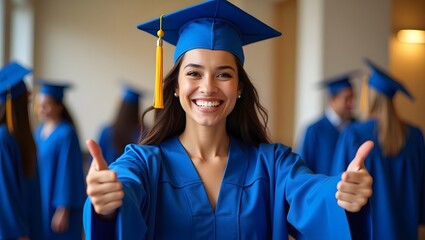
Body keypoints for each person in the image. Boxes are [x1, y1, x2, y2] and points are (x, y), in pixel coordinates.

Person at [83, 1, 374, 239]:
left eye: (224, 74)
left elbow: (311, 194)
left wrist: (342, 195)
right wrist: (108, 205)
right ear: (174, 86)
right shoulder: (144, 163)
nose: (208, 86)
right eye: (193, 73)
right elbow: (125, 189)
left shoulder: (272, 165)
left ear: (239, 88)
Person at [331, 59, 425, 240]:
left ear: (370, 96)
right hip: (406, 231)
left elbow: (339, 186)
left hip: (368, 232)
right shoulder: (415, 136)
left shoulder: (354, 133)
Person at [34, 81, 86, 240]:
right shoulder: (39, 131)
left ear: (59, 107)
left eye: (47, 105)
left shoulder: (66, 133)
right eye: (40, 105)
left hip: (59, 203)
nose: (42, 109)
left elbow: (67, 172)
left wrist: (63, 208)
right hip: (42, 195)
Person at [0, 62, 41, 240]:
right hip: (15, 232)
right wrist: (19, 233)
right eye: (26, 100)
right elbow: (5, 193)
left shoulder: (17, 137)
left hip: (28, 221)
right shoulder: (3, 139)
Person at [297, 70, 360, 175]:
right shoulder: (314, 131)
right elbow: (303, 172)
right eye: (347, 98)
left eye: (353, 98)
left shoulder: (357, 127)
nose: (352, 103)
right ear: (332, 99)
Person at [97, 85, 144, 165]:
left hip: (107, 174)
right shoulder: (142, 133)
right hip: (132, 176)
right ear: (137, 110)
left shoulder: (106, 131)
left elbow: (97, 159)